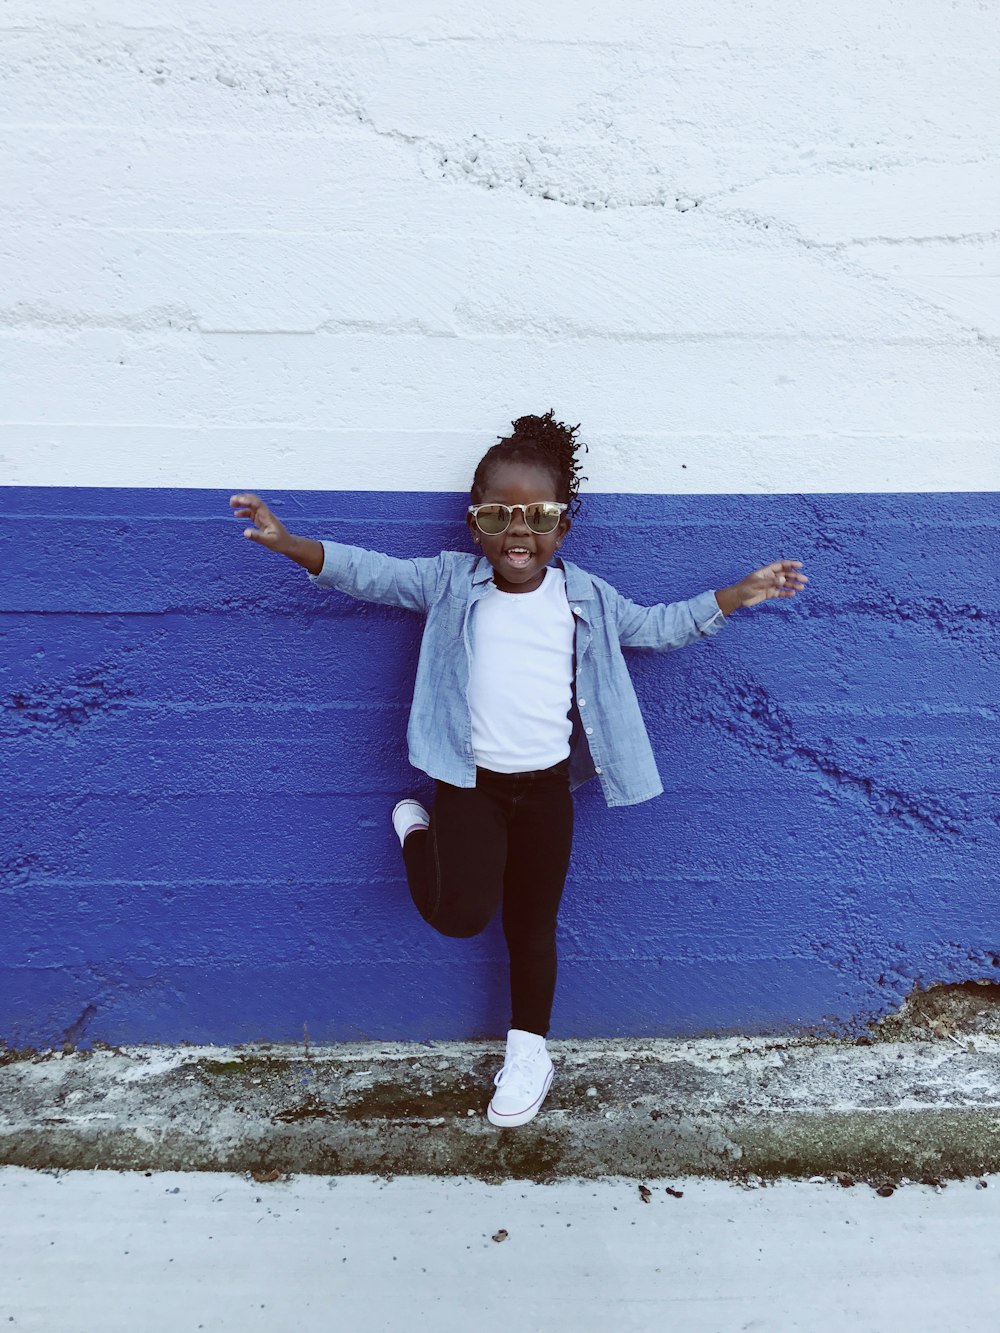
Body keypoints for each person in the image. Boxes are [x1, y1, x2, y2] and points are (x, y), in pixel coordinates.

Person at [229, 411, 808, 1128]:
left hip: (546, 790)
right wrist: (291, 545)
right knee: (459, 914)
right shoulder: (448, 583)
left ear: (564, 527)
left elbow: (656, 627)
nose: (519, 532)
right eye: (499, 515)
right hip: (468, 785)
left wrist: (737, 594)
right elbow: (371, 574)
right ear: (475, 524)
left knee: (533, 925)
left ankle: (530, 1050)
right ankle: (416, 831)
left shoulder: (586, 596)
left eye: (538, 516)